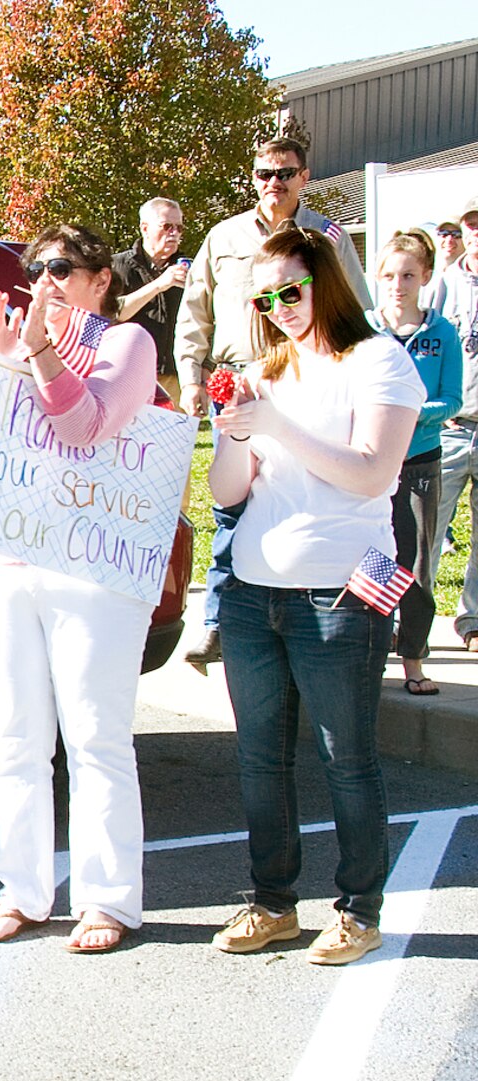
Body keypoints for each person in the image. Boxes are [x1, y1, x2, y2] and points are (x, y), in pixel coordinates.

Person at [0, 225, 162, 954]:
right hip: (4, 562)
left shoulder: (124, 345)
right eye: (38, 267)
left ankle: (108, 900)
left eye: (64, 267)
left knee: (96, 737)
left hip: (90, 568)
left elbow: (86, 426)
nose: (48, 278)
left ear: (101, 279)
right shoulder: (15, 340)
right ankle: (23, 889)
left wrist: (37, 352)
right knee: (16, 741)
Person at [207, 225, 424, 966]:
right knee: (260, 759)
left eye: (289, 291)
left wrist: (276, 424)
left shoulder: (377, 361)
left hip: (339, 594)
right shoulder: (267, 369)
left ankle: (359, 911)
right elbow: (226, 489)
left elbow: (371, 473)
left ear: (323, 280)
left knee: (346, 758)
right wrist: (238, 429)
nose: (278, 307)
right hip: (253, 591)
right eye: (264, 298)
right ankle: (273, 902)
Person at [175, 132, 371, 668]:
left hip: (310, 380)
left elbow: (356, 306)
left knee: (301, 487)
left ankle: (311, 614)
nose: (274, 182)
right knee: (231, 501)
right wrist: (192, 377)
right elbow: (195, 312)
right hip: (238, 380)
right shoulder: (224, 236)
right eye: (264, 173)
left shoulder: (325, 239)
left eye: (285, 172)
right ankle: (221, 620)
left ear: (304, 177)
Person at [367, 231, 461, 693]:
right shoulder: (364, 330)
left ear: (425, 276)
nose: (398, 284)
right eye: (389, 275)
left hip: (421, 463)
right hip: (370, 461)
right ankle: (370, 653)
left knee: (418, 562)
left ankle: (413, 660)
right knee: (375, 557)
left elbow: (452, 399)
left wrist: (407, 413)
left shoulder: (441, 333)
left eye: (407, 275)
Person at [428, 196, 478, 652]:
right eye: (472, 223)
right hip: (451, 426)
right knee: (425, 531)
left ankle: (474, 620)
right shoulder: (445, 282)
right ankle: (409, 623)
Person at [114, 197, 188, 398]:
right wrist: (159, 285)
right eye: (166, 226)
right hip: (127, 375)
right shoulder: (117, 266)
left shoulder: (190, 268)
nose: (174, 233)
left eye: (179, 228)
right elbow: (113, 313)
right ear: (145, 228)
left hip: (176, 377)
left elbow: (205, 318)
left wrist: (204, 368)